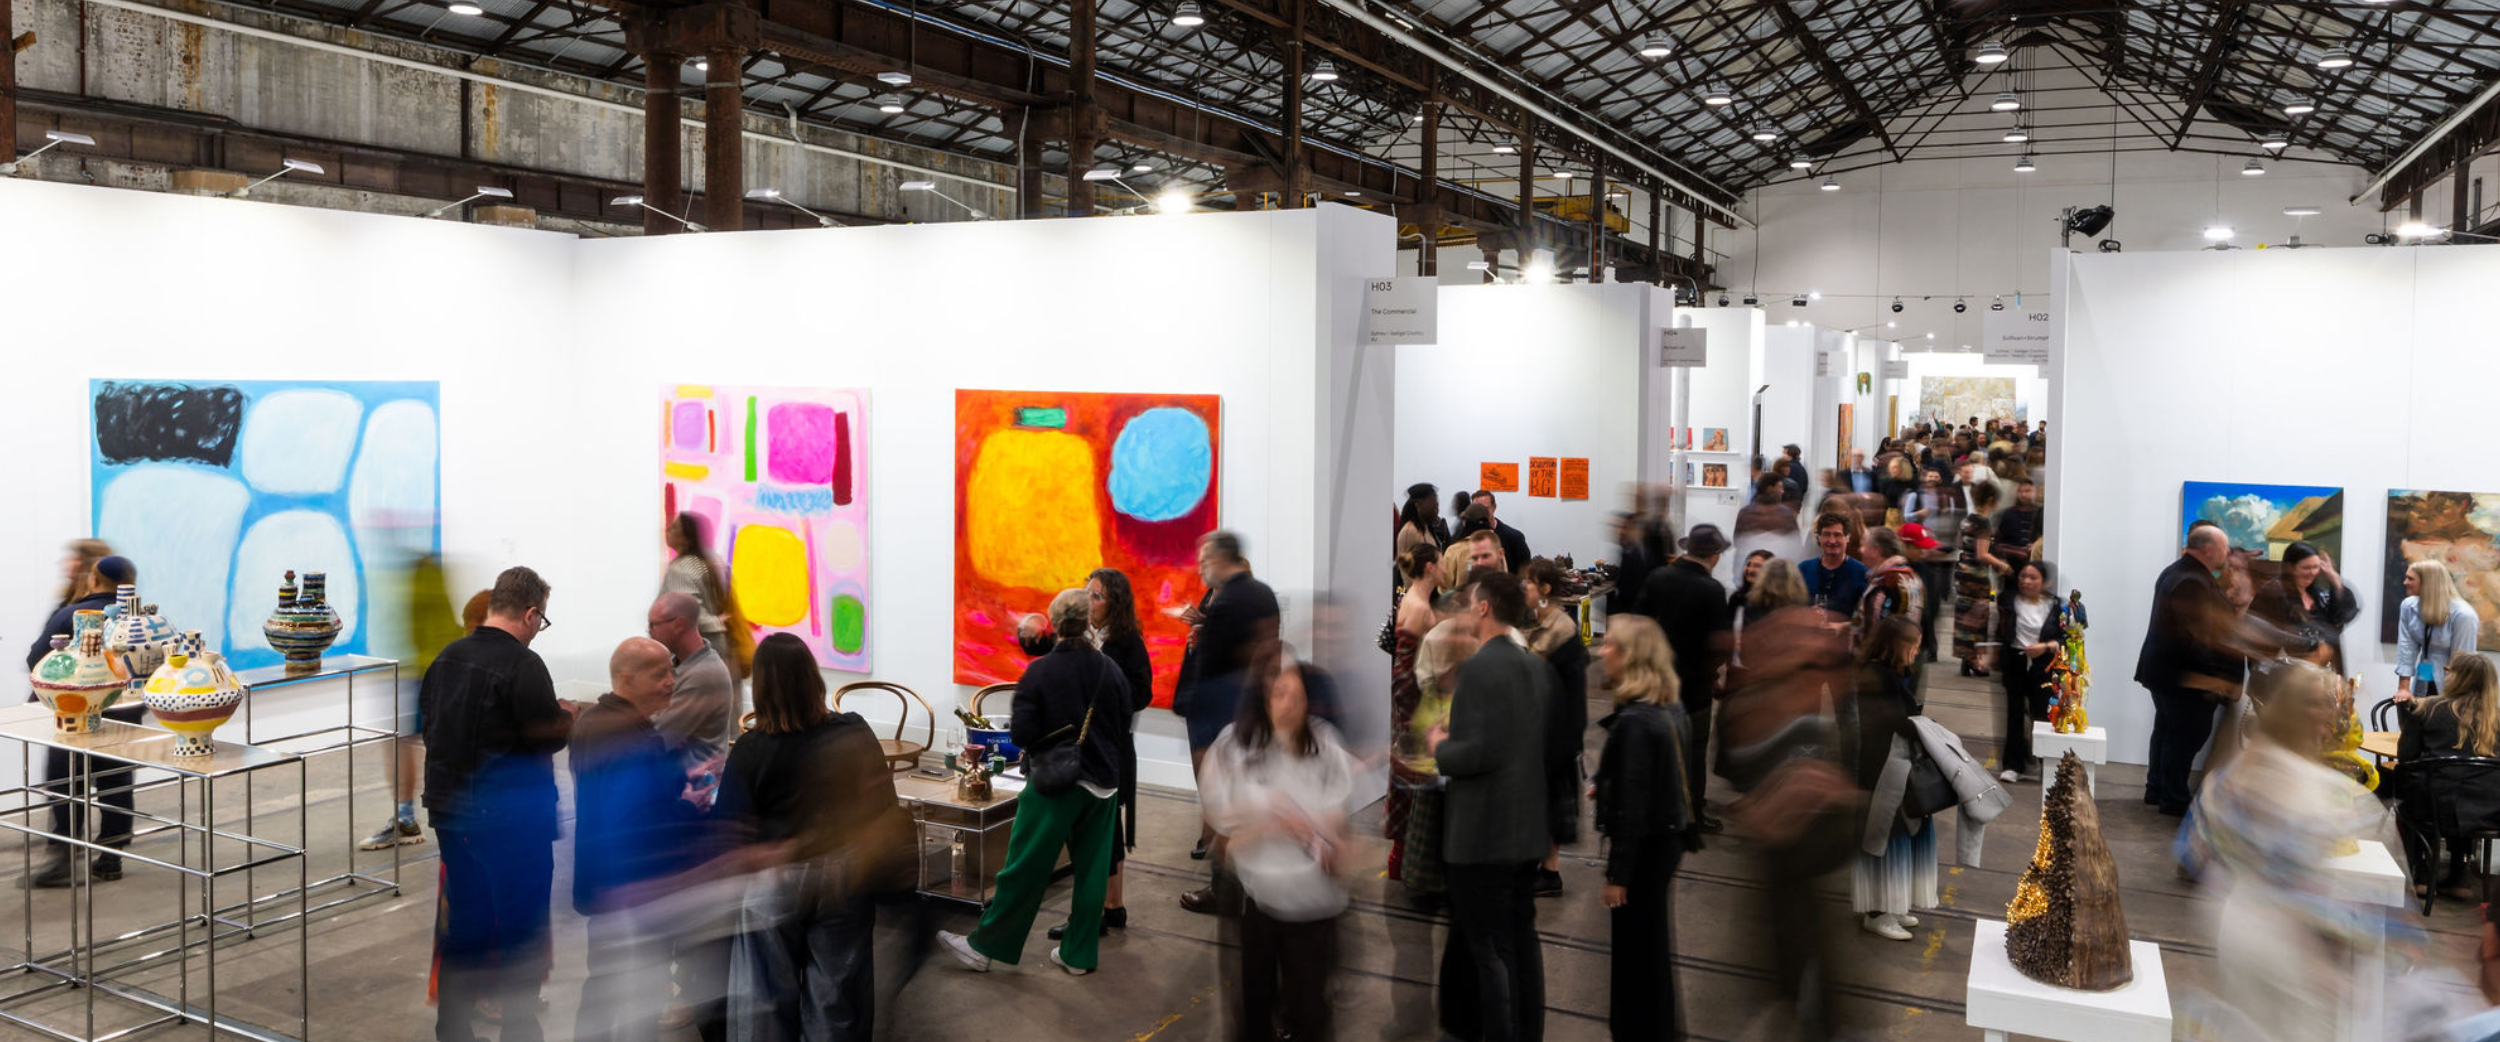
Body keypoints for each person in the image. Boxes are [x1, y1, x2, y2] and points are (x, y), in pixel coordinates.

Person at [2188, 659, 2395, 1042]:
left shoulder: (2240, 771)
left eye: (2330, 703)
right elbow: (2300, 884)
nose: (2329, 712)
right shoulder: (2309, 785)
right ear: (2295, 709)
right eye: (2317, 703)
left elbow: (2197, 848)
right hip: (2281, 941)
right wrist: (2352, 944)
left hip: (2237, 922)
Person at [717, 633, 907, 1042]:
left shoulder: (751, 748)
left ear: (761, 688)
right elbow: (883, 804)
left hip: (774, 877)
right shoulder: (852, 730)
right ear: (813, 678)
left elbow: (728, 828)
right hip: (847, 872)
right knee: (837, 997)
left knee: (765, 997)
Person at [940, 588, 1133, 976]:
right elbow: (1123, 721)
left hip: (1055, 783)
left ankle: (985, 946)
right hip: (1103, 785)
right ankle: (1078, 955)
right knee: (1093, 873)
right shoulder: (1110, 669)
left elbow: (1022, 734)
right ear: (1087, 621)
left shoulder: (1041, 671)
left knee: (1024, 868)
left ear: (1054, 624)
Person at [423, 566, 573, 1042]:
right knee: (521, 932)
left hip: (451, 816)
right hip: (510, 823)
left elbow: (430, 728)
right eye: (541, 620)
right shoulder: (523, 666)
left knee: (465, 924)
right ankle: (519, 1032)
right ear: (530, 614)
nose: (538, 629)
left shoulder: (447, 658)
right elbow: (544, 739)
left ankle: (453, 1030)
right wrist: (566, 717)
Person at [1200, 647, 1356, 1042]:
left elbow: (1338, 827)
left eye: (1297, 695)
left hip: (1313, 907)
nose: (1289, 705)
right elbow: (1223, 835)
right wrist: (1264, 825)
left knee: (1308, 1011)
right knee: (1255, 1007)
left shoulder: (1323, 744)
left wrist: (1325, 839)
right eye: (1278, 691)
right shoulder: (1235, 746)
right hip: (1260, 903)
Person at [1426, 570, 1552, 1042]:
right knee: (1519, 943)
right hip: (1525, 831)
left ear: (1483, 607)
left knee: (1490, 954)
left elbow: (1476, 754)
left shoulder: (1482, 667)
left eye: (1469, 602)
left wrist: (1440, 745)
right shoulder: (1533, 665)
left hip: (1483, 835)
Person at [569, 636, 700, 1042]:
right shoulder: (630, 738)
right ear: (627, 679)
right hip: (636, 889)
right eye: (659, 674)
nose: (671, 681)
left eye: (671, 671)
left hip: (605, 883)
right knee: (640, 993)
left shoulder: (596, 722)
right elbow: (642, 821)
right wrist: (691, 806)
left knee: (604, 986)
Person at [1591, 615, 1690, 1042]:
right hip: (1667, 839)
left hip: (1645, 850)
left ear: (1631, 656)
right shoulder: (1669, 706)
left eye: (1610, 644)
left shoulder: (1635, 720)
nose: (1601, 651)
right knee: (1652, 949)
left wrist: (1618, 874)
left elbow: (1633, 806)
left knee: (1635, 956)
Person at [22, 550, 138, 888]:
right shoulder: (139, 620)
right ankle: (111, 858)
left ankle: (63, 856)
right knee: (117, 782)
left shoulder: (71, 615)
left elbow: (36, 657)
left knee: (66, 782)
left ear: (93, 579)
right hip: (124, 714)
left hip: (75, 714)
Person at [1177, 531, 1280, 911]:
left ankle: (1224, 893)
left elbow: (1210, 669)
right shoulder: (1262, 593)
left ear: (1223, 558)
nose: (1201, 567)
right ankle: (1251, 887)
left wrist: (1190, 710)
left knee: (1223, 808)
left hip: (1220, 718)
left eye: (1205, 559)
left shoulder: (1228, 600)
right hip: (1251, 712)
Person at [1049, 568, 1153, 941]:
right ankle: (1108, 907)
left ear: (1115, 603)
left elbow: (1142, 693)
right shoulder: (1079, 636)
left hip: (1110, 746)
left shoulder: (1126, 641)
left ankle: (1101, 910)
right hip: (1081, 745)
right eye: (1087, 593)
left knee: (1105, 829)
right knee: (1096, 830)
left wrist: (1104, 691)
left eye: (1097, 596)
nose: (1089, 601)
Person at [362, 555, 470, 851]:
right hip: (416, 671)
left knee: (411, 743)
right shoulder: (412, 567)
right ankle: (409, 817)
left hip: (423, 672)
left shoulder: (423, 569)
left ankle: (417, 817)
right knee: (404, 743)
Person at [2134, 526, 2244, 817]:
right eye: (2224, 547)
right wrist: (2212, 678)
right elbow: (2197, 638)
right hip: (2184, 677)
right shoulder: (2192, 581)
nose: (2227, 553)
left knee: (2167, 731)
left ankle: (2157, 789)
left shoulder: (2177, 572)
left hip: (2167, 673)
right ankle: (2173, 797)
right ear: (2209, 549)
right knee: (2184, 737)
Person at [1640, 524, 1732, 835]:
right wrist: (1713, 674)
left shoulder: (1658, 577)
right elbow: (1721, 642)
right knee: (1694, 752)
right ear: (1715, 555)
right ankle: (1692, 815)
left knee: (1657, 746)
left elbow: (1638, 623)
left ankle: (1655, 809)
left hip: (1656, 680)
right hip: (1694, 686)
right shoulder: (1712, 590)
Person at [1850, 616, 1936, 941]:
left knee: (1897, 838)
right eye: (1912, 646)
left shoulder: (1889, 674)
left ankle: (1892, 904)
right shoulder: (1876, 676)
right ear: (1895, 645)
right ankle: (1877, 912)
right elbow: (1894, 722)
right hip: (1881, 771)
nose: (1915, 652)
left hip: (1893, 768)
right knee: (1882, 839)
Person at [1520, 558, 1589, 898]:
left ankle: (1550, 872)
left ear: (1545, 589)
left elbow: (1570, 696)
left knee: (1551, 801)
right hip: (1540, 730)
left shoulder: (1562, 632)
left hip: (1555, 734)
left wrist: (1565, 740)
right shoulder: (1538, 622)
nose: (1523, 588)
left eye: (1529, 583)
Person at [1385, 546, 1447, 887]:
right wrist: (1415, 716)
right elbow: (1405, 667)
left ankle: (1401, 859)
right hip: (1414, 707)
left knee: (1407, 781)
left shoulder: (1412, 599)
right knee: (1411, 783)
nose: (1445, 568)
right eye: (1441, 563)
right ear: (1430, 567)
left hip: (1409, 706)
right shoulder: (1420, 607)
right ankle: (1402, 861)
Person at [1995, 560, 2082, 783]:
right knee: (2014, 714)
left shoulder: (2057, 607)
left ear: (2045, 582)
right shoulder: (2009, 601)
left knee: (2043, 715)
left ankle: (2047, 764)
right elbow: (2000, 631)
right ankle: (2013, 765)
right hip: (2015, 661)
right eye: (2023, 576)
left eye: (2033, 577)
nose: (2026, 581)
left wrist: (2045, 647)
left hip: (2044, 665)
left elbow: (2067, 639)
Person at [646, 593, 735, 772]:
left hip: (695, 782)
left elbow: (655, 737)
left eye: (653, 625)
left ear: (679, 625)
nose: (649, 631)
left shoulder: (704, 674)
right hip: (674, 773)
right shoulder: (680, 664)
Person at [2250, 541, 2361, 672]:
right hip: (2285, 676)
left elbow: (2342, 617)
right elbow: (2259, 634)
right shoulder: (2272, 593)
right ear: (2290, 567)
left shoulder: (2319, 596)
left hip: (2320, 675)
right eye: (2306, 567)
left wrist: (2335, 579)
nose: (2312, 572)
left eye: (2316, 567)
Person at [661, 512, 742, 679]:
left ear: (687, 537)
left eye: (674, 527)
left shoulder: (681, 569)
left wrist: (717, 622)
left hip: (697, 653)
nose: (667, 529)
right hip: (721, 649)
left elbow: (686, 614)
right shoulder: (713, 560)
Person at [2395, 559, 2482, 701]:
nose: (2405, 582)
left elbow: (2462, 663)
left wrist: (2453, 701)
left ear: (2428, 583)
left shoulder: (2464, 615)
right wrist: (2403, 688)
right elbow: (2406, 648)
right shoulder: (2409, 606)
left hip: (2453, 686)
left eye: (2410, 579)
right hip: (2425, 673)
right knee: (2420, 711)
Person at [1952, 511, 2000, 678]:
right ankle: (1975, 661)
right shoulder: (1983, 523)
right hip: (1977, 577)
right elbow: (1982, 554)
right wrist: (2003, 565)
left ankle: (1965, 657)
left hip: (1963, 572)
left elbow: (1959, 544)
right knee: (1978, 618)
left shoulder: (1967, 520)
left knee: (1964, 617)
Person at [1799, 512, 1870, 616]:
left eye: (1837, 535)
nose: (1832, 541)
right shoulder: (1803, 569)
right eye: (1826, 535)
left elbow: (1865, 616)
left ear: (1848, 538)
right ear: (1819, 538)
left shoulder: (1862, 573)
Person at [1470, 490, 1533, 573]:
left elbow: (1525, 570)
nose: (1480, 513)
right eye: (1476, 510)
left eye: (1485, 509)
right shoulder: (1467, 537)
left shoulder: (1514, 537)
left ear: (1494, 507)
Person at [1610, 512, 1652, 617]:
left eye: (1623, 527)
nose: (1620, 532)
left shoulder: (1635, 554)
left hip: (1633, 615)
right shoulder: (1628, 551)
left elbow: (1630, 592)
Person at [1399, 483, 1450, 557]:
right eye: (1432, 502)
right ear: (1418, 505)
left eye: (1437, 503)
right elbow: (1404, 563)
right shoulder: (1410, 531)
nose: (1436, 507)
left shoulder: (1427, 528)